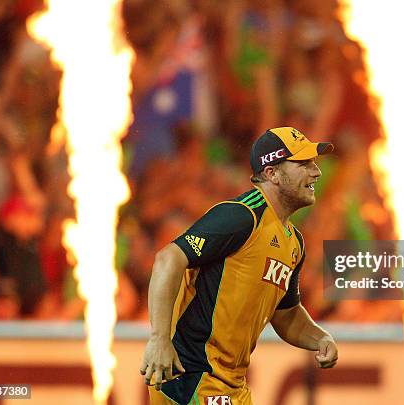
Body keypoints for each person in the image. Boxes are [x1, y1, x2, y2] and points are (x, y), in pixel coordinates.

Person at [140, 127, 338, 404]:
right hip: (194, 375)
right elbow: (168, 259)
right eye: (303, 164)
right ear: (272, 173)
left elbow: (286, 315)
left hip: (230, 384)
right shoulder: (242, 216)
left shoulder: (294, 243)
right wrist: (159, 339)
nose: (316, 172)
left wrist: (320, 339)